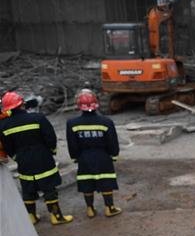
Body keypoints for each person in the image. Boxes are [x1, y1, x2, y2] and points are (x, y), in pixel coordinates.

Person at [0, 90, 72, 225]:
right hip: (43, 158)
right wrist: (52, 151)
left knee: (28, 189)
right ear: (22, 105)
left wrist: (17, 157)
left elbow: (8, 146)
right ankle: (56, 216)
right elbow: (50, 137)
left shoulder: (3, 125)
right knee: (49, 188)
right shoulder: (38, 118)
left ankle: (32, 217)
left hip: (23, 161)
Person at [65, 90, 121, 218]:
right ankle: (109, 208)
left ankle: (90, 209)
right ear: (96, 104)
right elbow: (112, 141)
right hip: (103, 156)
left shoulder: (72, 123)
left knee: (87, 182)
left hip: (84, 157)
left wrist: (75, 156)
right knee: (106, 180)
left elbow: (72, 144)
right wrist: (114, 154)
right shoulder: (106, 122)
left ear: (79, 105)